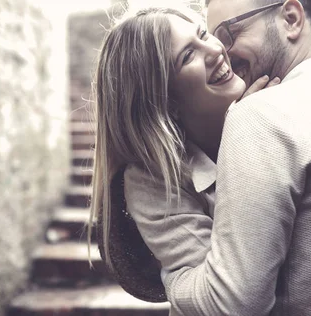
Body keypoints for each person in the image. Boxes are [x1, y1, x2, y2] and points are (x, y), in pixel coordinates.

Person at [157, 0, 311, 315]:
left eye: (229, 34)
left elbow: (231, 303)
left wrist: (174, 277)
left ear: (291, 19)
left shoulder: (258, 115)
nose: (222, 51)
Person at [88, 3, 278, 303]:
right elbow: (229, 298)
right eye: (188, 55)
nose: (215, 50)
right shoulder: (151, 181)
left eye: (203, 34)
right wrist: (242, 138)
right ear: (165, 100)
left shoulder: (271, 97)